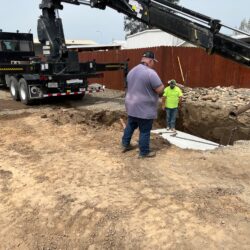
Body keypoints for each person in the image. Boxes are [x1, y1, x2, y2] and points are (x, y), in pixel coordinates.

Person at [121, 51, 164, 158]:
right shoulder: (150, 73)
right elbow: (160, 90)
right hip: (144, 108)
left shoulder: (132, 71)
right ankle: (144, 152)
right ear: (150, 61)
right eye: (153, 62)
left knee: (130, 125)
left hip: (131, 105)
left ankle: (125, 144)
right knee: (145, 130)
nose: (153, 64)